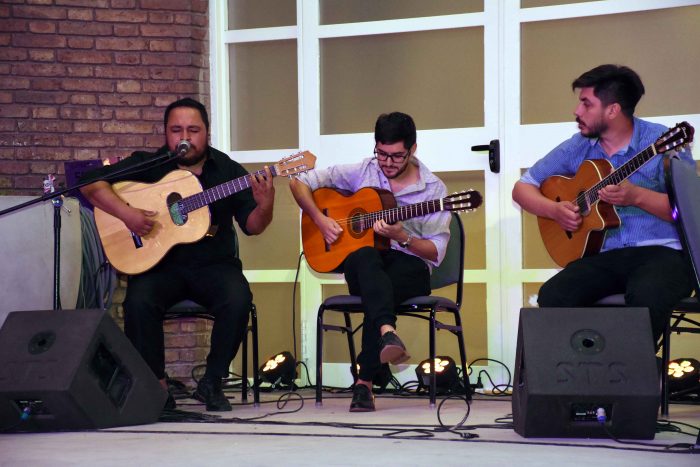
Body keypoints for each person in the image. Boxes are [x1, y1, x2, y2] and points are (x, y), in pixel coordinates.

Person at [80, 97, 275, 411]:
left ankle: (212, 382)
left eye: (193, 129)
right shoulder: (150, 164)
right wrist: (127, 214)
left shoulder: (227, 171)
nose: (185, 137)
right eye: (176, 130)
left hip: (214, 264)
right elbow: (90, 184)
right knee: (139, 302)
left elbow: (253, 226)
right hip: (162, 265)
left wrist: (265, 203)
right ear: (166, 134)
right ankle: (156, 387)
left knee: (238, 298)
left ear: (207, 133)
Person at [512, 64, 695, 344]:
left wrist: (637, 197)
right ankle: (584, 373)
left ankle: (628, 376)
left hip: (664, 253)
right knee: (554, 296)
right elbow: (523, 187)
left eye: (586, 104)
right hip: (605, 255)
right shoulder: (579, 146)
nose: (577, 111)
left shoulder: (662, 142)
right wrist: (555, 211)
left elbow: (691, 212)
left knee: (646, 296)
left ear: (613, 110)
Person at [290, 112, 451, 412]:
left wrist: (402, 237)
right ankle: (383, 345)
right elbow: (300, 182)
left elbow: (435, 252)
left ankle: (366, 377)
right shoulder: (364, 170)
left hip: (410, 266)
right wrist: (319, 219)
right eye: (381, 154)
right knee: (366, 257)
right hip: (364, 264)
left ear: (413, 150)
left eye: (396, 156)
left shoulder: (434, 190)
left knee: (378, 287)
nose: (387, 163)